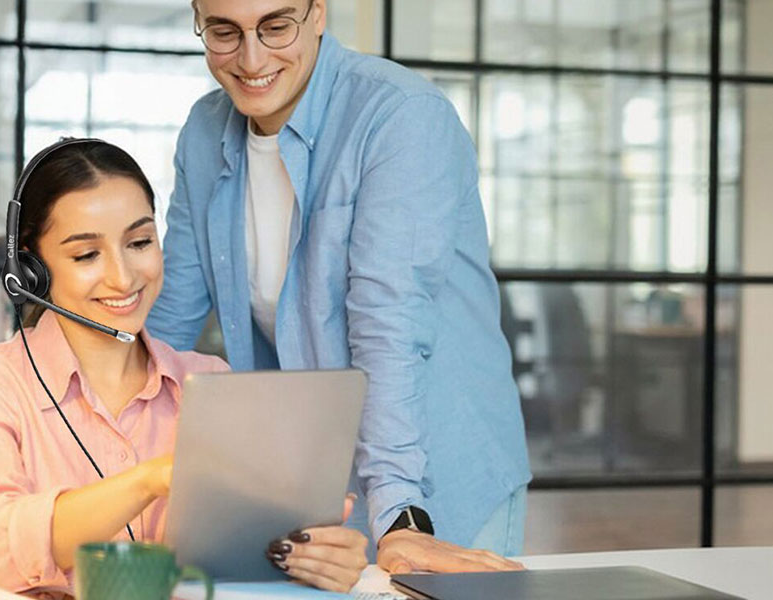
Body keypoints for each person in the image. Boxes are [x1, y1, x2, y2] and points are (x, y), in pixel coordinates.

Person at [146, 0, 532, 574]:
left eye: (276, 26)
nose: (252, 59)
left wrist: (401, 513)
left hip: (435, 472)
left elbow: (387, 324)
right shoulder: (206, 133)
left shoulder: (399, 116)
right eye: (224, 32)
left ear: (318, 13)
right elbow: (166, 324)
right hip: (318, 481)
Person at [0, 140, 369, 593]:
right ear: (31, 268)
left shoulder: (211, 383)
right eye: (86, 255)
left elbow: (236, 563)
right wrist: (147, 481)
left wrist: (311, 559)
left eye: (140, 242)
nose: (123, 278)